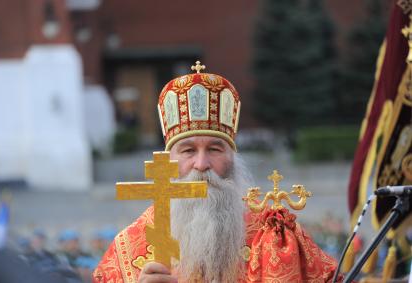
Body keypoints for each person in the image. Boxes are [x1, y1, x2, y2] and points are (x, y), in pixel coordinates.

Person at [93, 63, 342, 282]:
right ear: (168, 160)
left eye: (214, 149)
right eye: (188, 151)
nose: (201, 164)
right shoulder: (127, 249)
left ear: (232, 158)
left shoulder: (274, 234)